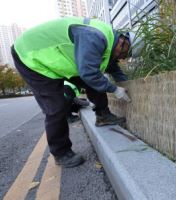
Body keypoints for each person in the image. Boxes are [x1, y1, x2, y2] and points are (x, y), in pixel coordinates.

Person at [11, 17, 132, 168]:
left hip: (57, 59)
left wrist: (129, 84)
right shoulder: (95, 37)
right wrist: (114, 89)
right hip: (31, 56)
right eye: (125, 54)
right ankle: (61, 153)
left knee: (95, 78)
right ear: (123, 42)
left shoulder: (109, 42)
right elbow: (89, 73)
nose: (122, 58)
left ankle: (103, 115)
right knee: (56, 106)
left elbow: (115, 70)